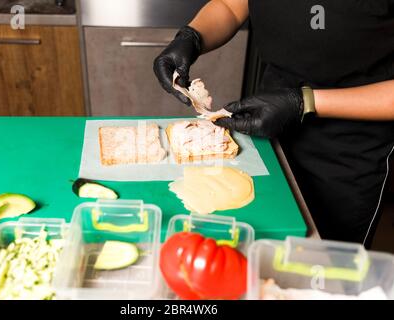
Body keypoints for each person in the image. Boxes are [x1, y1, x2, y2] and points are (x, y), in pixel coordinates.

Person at [153, 0, 394, 247]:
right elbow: (231, 5)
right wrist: (192, 36)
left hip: (347, 152)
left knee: (320, 268)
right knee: (256, 247)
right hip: (268, 126)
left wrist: (305, 102)